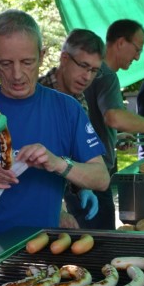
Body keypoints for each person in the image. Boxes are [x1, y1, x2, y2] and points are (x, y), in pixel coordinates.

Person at [0, 10, 109, 255]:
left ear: (42, 56)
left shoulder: (67, 109)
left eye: (27, 62)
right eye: (5, 63)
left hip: (38, 251)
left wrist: (58, 164)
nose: (17, 75)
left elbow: (101, 178)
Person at [82, 19, 144, 230]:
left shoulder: (94, 73)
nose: (138, 57)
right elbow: (114, 117)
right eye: (137, 49)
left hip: (85, 172)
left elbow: (89, 124)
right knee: (101, 238)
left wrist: (113, 138)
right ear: (121, 42)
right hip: (93, 175)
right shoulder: (107, 76)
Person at [38, 28, 105, 229]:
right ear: (64, 58)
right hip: (36, 203)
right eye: (83, 66)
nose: (87, 77)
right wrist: (55, 209)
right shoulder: (37, 96)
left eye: (94, 70)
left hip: (65, 190)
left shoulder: (79, 100)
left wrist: (81, 186)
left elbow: (76, 152)